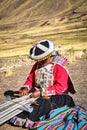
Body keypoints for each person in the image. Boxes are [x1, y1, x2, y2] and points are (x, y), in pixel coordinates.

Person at [10, 40, 76, 128]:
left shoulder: (59, 65)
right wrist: (25, 88)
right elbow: (30, 79)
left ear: (49, 55)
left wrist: (41, 92)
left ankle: (32, 120)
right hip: (38, 92)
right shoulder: (38, 64)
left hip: (58, 95)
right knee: (22, 99)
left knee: (41, 102)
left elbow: (61, 86)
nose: (40, 62)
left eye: (42, 60)